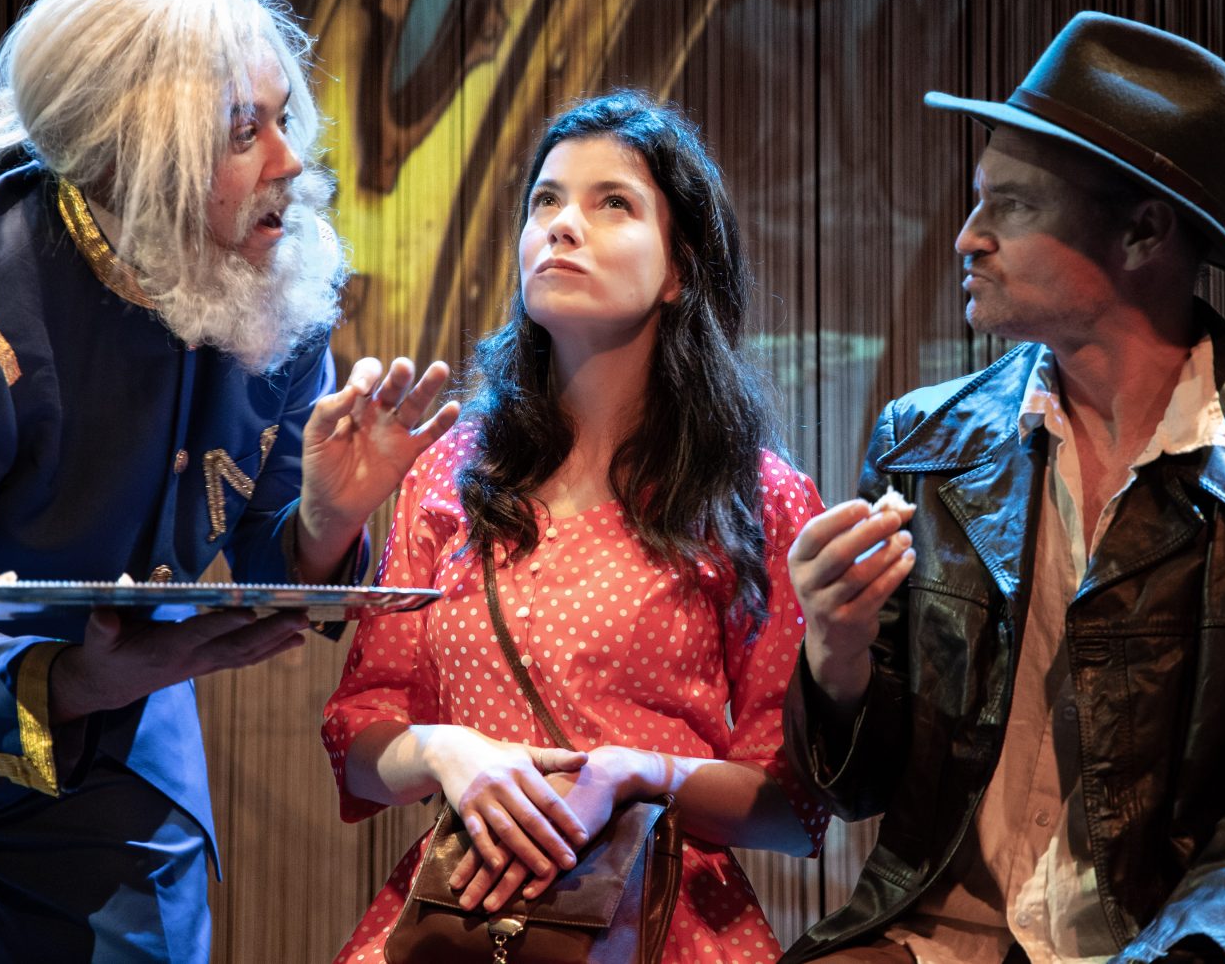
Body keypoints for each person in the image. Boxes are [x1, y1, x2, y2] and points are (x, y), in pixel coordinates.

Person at [0, 0, 459, 963]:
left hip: (110, 696)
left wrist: (326, 520)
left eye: (285, 119)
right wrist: (74, 676)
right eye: (244, 131)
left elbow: (266, 541)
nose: (291, 163)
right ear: (131, 164)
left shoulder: (275, 281)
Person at [781, 11, 1225, 964]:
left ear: (1144, 231)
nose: (967, 238)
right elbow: (860, 790)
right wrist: (837, 651)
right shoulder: (927, 442)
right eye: (977, 201)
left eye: (1012, 206)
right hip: (938, 941)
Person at [322, 90, 838, 961]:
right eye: (546, 201)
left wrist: (640, 774)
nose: (562, 225)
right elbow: (357, 732)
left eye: (613, 204)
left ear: (677, 271)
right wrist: (446, 751)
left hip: (659, 920)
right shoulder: (451, 471)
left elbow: (793, 806)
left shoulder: (753, 494)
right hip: (466, 913)